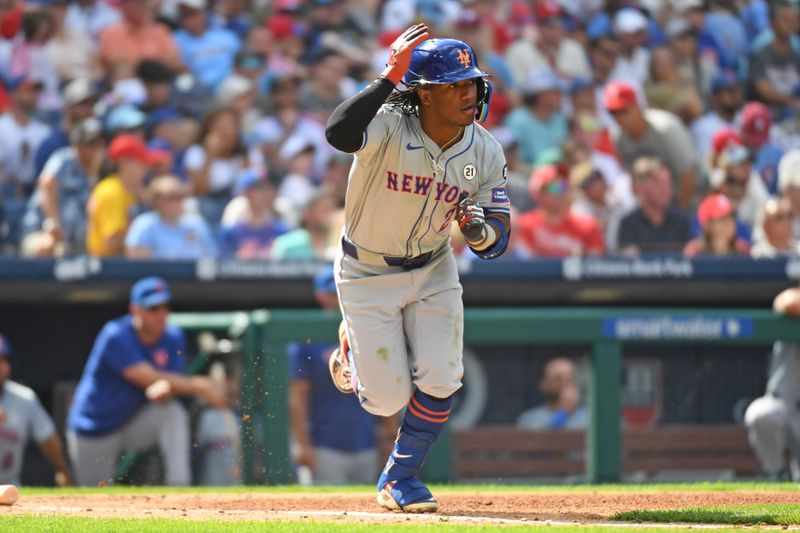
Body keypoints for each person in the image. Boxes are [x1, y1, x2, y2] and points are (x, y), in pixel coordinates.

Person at [325, 27, 511, 512]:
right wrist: (390, 74)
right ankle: (349, 347)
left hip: (434, 266)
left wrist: (477, 233)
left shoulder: (485, 148)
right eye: (454, 85)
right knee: (386, 400)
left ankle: (399, 476)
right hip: (367, 270)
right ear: (424, 94)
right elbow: (338, 133)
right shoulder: (387, 123)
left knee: (444, 375)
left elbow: (498, 237)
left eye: (471, 83)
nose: (469, 93)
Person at [67, 277, 228, 486]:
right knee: (94, 495)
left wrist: (166, 390)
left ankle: (180, 486)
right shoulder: (116, 334)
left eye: (164, 307)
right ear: (135, 310)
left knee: (172, 413)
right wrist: (203, 386)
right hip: (96, 427)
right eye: (153, 308)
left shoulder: (172, 336)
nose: (161, 315)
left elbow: (169, 383)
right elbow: (148, 377)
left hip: (133, 421)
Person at [289, 266, 395, 485]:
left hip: (366, 442)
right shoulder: (307, 338)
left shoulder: (367, 332)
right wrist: (302, 444)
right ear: (321, 296)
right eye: (332, 294)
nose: (338, 300)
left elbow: (383, 386)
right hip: (324, 446)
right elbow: (298, 396)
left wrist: (390, 432)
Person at [604, 81, 699, 210]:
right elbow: (634, 179)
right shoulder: (619, 138)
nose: (619, 118)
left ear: (637, 106)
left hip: (694, 193)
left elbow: (688, 174)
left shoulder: (665, 129)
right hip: (658, 203)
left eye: (623, 111)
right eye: (613, 112)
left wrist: (681, 214)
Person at [0, 333, 73, 486]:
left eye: (3, 360)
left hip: (8, 489)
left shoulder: (23, 398)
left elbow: (48, 438)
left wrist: (62, 469)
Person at [744, 286, 800, 480]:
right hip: (784, 405)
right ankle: (776, 473)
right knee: (761, 414)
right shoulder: (794, 300)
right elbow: (788, 302)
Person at [86, 134, 154, 257]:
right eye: (142, 164)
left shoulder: (126, 190)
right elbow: (110, 243)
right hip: (107, 268)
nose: (146, 170)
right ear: (124, 163)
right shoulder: (112, 192)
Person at [518, 165, 605, 257]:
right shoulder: (523, 226)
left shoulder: (587, 225)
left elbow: (596, 264)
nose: (561, 191)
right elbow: (523, 264)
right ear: (539, 192)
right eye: (554, 187)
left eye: (564, 185)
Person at [125, 175, 218, 260]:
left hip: (194, 278)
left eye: (181, 196)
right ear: (156, 200)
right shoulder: (144, 224)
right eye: (172, 197)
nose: (178, 201)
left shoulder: (197, 223)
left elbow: (213, 257)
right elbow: (136, 261)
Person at [616, 157, 692, 256]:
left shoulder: (682, 221)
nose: (666, 190)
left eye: (668, 184)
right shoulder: (629, 224)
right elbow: (629, 261)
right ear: (643, 186)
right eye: (659, 184)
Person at [516, 357, 587, 430]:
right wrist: (563, 414)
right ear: (543, 384)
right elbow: (544, 440)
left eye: (570, 378)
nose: (565, 383)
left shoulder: (588, 419)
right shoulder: (530, 420)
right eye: (558, 379)